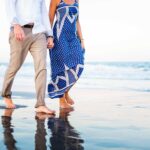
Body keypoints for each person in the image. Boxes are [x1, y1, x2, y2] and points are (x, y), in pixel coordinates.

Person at [1, 0, 55, 114]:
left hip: (39, 32)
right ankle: (6, 94)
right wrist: (15, 24)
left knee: (42, 67)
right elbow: (9, 5)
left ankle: (40, 104)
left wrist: (49, 34)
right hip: (20, 30)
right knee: (14, 66)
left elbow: (44, 13)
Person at [48, 0, 85, 109]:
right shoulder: (56, 0)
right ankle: (62, 100)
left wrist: (81, 39)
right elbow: (49, 19)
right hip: (60, 37)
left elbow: (77, 21)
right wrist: (49, 37)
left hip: (72, 38)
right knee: (61, 67)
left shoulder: (76, 1)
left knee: (79, 64)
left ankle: (66, 91)